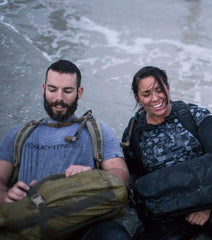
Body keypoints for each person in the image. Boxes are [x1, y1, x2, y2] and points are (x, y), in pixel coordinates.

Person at [0, 59, 131, 240]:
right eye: (52, 90)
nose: (59, 98)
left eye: (67, 91)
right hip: (30, 222)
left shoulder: (98, 131)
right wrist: (6, 195)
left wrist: (92, 174)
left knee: (115, 236)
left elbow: (121, 178)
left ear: (80, 92)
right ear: (44, 88)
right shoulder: (19, 134)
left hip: (84, 221)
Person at [122, 66, 212, 240]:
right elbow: (138, 178)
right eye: (146, 94)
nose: (155, 98)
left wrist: (206, 206)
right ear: (137, 98)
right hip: (171, 209)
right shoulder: (134, 134)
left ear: (168, 88)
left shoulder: (195, 115)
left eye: (159, 90)